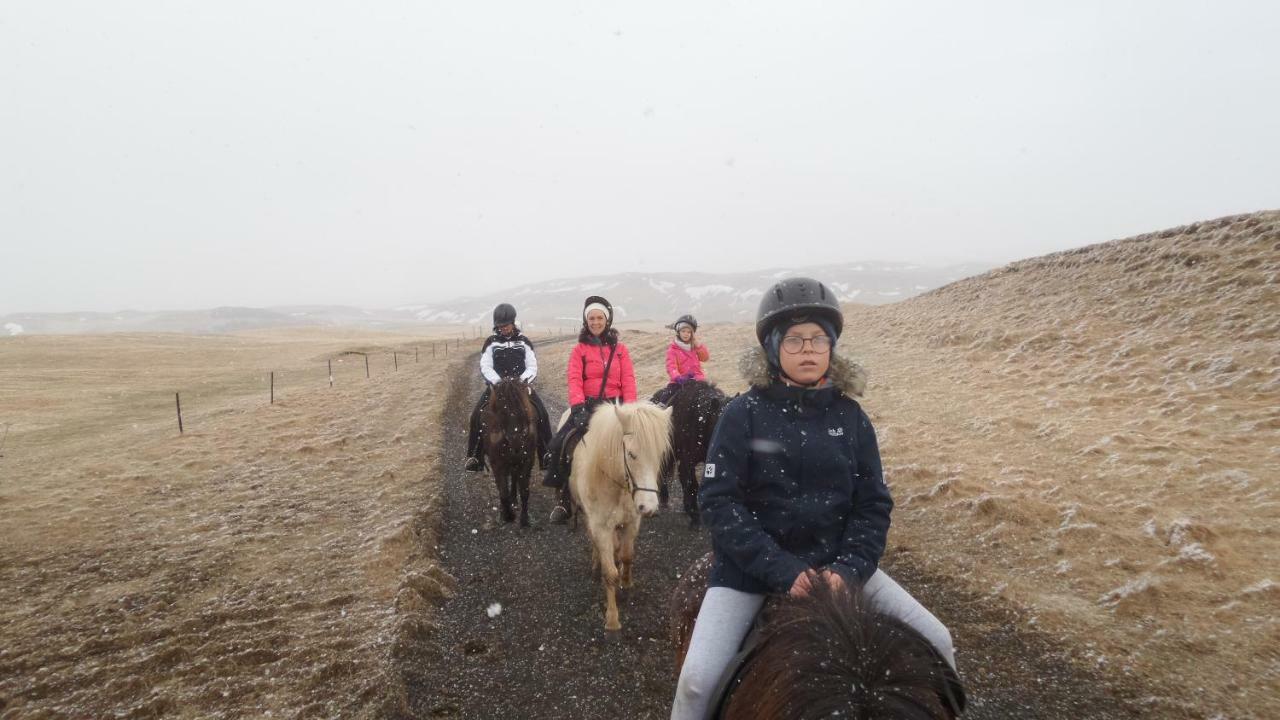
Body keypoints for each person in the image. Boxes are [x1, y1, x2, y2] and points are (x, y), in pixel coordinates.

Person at [670, 277, 958, 719]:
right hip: (749, 574)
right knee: (696, 684)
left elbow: (872, 503)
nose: (808, 348)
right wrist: (780, 568)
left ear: (832, 347)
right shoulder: (741, 414)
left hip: (839, 566)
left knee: (939, 641)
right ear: (772, 348)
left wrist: (849, 568)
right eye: (795, 339)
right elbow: (719, 502)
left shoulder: (851, 417)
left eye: (819, 338)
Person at [540, 295, 637, 524]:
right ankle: (564, 498)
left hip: (616, 407)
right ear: (586, 321)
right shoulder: (579, 350)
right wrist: (578, 407)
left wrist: (630, 408)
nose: (595, 322)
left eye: (599, 318)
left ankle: (643, 493)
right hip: (589, 406)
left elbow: (629, 379)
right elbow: (574, 379)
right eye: (591, 318)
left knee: (640, 446)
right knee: (562, 445)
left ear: (607, 319)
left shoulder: (620, 349)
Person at [463, 303, 553, 471]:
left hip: (521, 388)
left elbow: (532, 366)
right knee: (476, 415)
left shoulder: (524, 342)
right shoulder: (491, 342)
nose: (503, 328)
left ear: (513, 322)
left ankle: (546, 454)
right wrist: (498, 383)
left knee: (542, 413)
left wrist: (521, 382)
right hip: (497, 389)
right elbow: (485, 365)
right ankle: (474, 457)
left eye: (506, 325)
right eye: (500, 325)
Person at [651, 314, 711, 407]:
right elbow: (671, 367)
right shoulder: (673, 350)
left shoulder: (694, 347)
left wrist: (698, 345)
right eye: (683, 331)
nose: (686, 334)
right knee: (668, 394)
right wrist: (678, 378)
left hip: (698, 380)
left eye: (689, 332)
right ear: (678, 332)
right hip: (679, 382)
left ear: (692, 334)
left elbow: (705, 358)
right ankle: (660, 407)